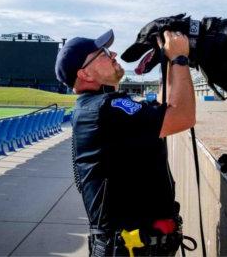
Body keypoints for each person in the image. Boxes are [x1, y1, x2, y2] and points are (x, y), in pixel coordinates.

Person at [55, 29, 196, 256]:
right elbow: (182, 117)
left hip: (134, 246)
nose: (112, 53)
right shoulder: (107, 108)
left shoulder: (96, 106)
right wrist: (180, 59)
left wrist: (166, 62)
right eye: (102, 53)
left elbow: (161, 111)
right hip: (132, 249)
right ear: (85, 74)